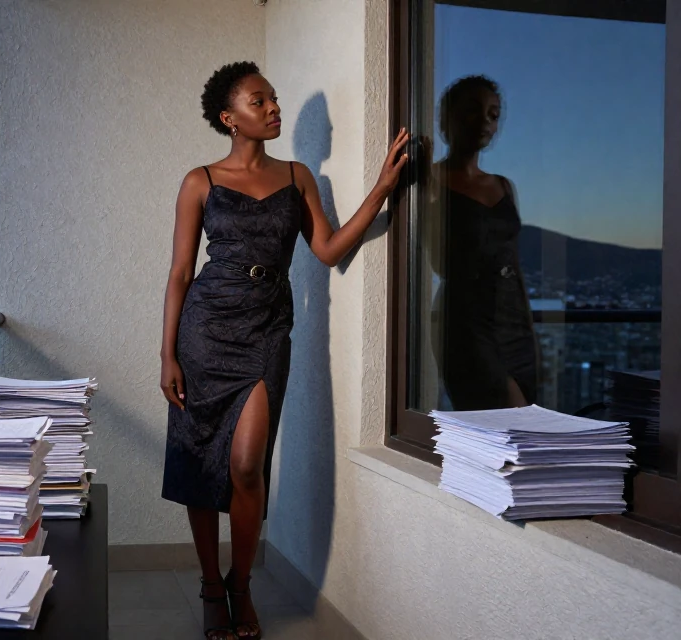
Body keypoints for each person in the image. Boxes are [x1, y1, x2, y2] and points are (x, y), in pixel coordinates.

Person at [159, 61, 409, 640]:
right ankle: (210, 585)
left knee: (247, 464)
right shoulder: (200, 180)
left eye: (274, 99)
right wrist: (167, 353)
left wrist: (382, 188)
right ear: (229, 117)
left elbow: (326, 249)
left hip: (267, 331)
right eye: (259, 101)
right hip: (204, 330)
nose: (273, 109)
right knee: (200, 459)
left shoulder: (298, 177)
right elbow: (178, 273)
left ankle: (240, 582)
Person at [423, 75, 539, 410]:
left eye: (493, 114)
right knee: (503, 418)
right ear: (447, 118)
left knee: (523, 418)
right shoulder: (430, 180)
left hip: (513, 319)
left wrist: (529, 331)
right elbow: (434, 258)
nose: (486, 121)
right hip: (464, 319)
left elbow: (512, 261)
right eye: (473, 111)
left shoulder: (503, 185)